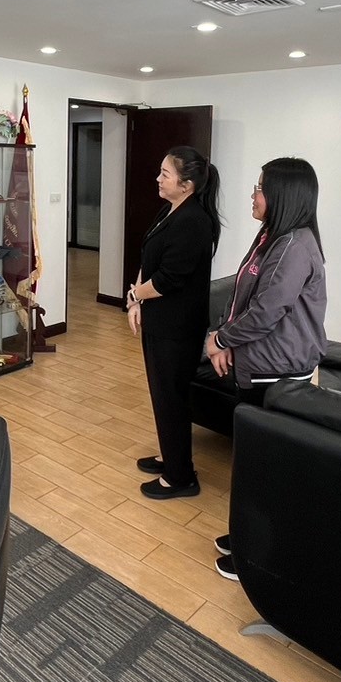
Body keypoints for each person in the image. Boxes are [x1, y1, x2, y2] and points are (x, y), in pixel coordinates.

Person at [205, 157, 328, 579]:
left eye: (259, 188)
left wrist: (220, 341)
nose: (253, 195)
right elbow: (241, 292)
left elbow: (265, 313)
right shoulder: (271, 237)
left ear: (282, 195)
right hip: (257, 363)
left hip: (277, 372)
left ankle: (255, 557)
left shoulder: (295, 247)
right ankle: (245, 535)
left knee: (266, 469)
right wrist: (222, 334)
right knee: (252, 462)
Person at [127, 146, 222, 501]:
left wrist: (136, 295)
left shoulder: (194, 221)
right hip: (160, 321)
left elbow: (169, 278)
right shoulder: (170, 210)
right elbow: (149, 257)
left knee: (172, 397)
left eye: (165, 174)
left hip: (178, 328)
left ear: (187, 184)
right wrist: (136, 297)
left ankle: (181, 477)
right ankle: (171, 456)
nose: (158, 179)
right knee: (162, 394)